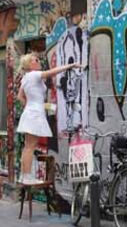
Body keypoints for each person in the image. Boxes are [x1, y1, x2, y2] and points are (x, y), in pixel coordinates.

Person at [17, 53, 83, 184]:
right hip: (35, 114)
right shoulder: (35, 74)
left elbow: (20, 97)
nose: (38, 61)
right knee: (31, 146)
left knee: (27, 146)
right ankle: (27, 177)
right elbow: (52, 72)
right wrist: (71, 65)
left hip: (31, 112)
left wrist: (32, 106)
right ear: (30, 64)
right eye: (36, 60)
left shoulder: (25, 78)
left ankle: (24, 175)